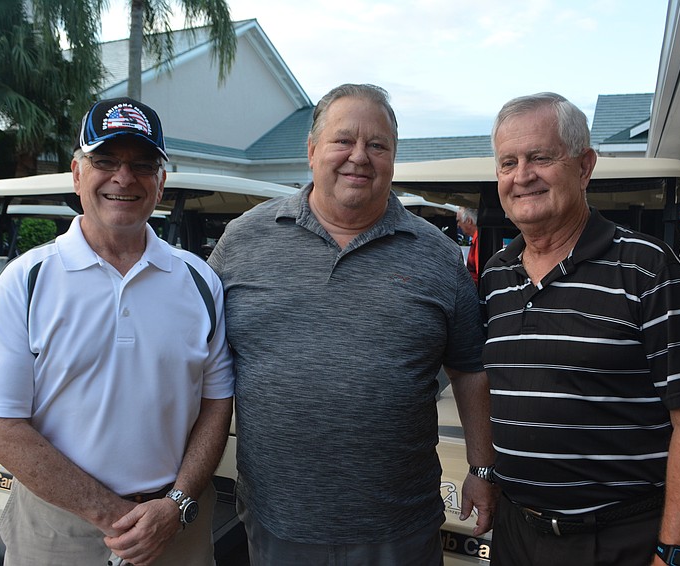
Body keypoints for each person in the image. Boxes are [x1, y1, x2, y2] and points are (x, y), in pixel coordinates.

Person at [208, 83, 496, 565]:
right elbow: (199, 363)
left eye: (377, 145)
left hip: (400, 529)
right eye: (343, 140)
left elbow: (471, 370)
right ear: (312, 150)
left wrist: (482, 469)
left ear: (393, 158)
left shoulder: (437, 255)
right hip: (279, 524)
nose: (358, 157)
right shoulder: (242, 242)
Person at [0, 97, 235, 566]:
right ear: (77, 173)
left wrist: (174, 506)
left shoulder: (200, 282)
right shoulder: (27, 280)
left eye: (142, 164)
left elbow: (217, 406)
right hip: (58, 528)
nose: (123, 177)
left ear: (160, 183)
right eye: (105, 161)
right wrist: (115, 515)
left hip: (174, 523)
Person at [480, 92, 680, 566]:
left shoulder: (650, 269)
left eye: (541, 157)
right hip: (514, 536)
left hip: (617, 541)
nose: (522, 176)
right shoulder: (495, 275)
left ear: (584, 166)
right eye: (507, 162)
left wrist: (675, 554)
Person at [457, 206, 480, 285]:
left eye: (459, 221)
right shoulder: (476, 240)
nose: (458, 225)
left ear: (469, 221)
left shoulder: (479, 242)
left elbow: (479, 274)